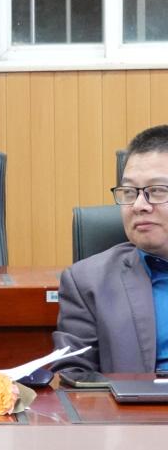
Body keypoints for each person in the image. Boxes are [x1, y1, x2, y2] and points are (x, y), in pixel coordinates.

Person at [54, 124, 168, 374]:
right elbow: (74, 376)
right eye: (129, 192)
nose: (139, 205)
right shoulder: (88, 282)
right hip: (132, 401)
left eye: (157, 191)